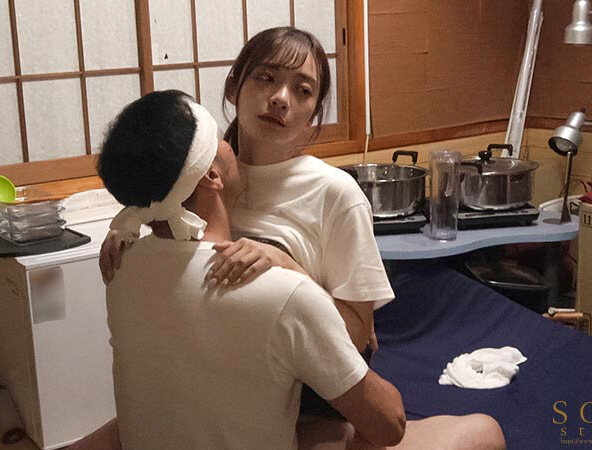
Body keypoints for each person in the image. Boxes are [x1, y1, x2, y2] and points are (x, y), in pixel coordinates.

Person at [97, 28, 506, 449]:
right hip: (226, 386)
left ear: (313, 113)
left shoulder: (335, 194)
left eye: (303, 90)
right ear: (234, 87)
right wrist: (129, 229)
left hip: (316, 394)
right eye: (266, 78)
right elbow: (173, 244)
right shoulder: (201, 171)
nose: (280, 98)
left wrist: (289, 268)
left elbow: (358, 339)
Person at [74, 89, 406, 450]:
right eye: (221, 139)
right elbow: (390, 424)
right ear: (212, 175)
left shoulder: (121, 267)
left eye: (303, 90)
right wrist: (308, 291)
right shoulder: (284, 295)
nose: (280, 99)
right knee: (457, 428)